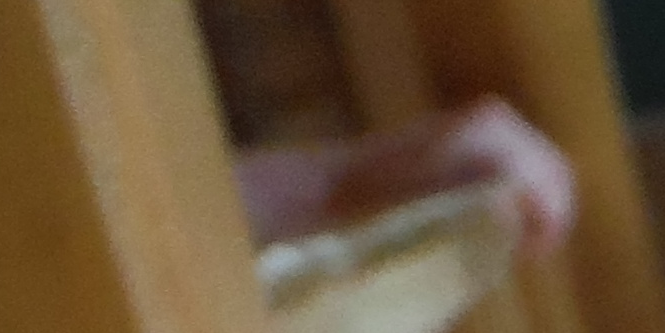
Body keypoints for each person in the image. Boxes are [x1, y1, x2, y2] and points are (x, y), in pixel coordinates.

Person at [234, 96, 580, 258]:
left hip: (316, 225)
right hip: (300, 198)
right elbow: (355, 188)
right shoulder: (486, 141)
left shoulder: (520, 172)